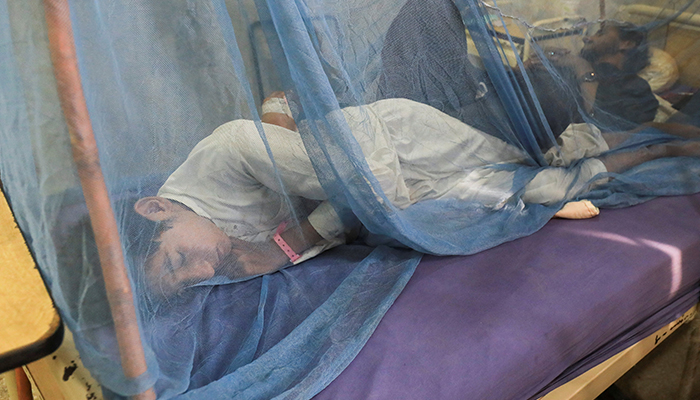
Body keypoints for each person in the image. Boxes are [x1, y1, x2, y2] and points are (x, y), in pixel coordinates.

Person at [126, 88, 700, 298]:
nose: (198, 272)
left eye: (176, 259)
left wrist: (291, 244)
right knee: (538, 186)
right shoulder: (207, 230)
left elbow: (364, 189)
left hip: (401, 143)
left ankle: (661, 137)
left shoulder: (228, 150)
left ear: (156, 206)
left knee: (546, 156)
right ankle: (652, 148)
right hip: (387, 177)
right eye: (182, 283)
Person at [579, 21, 659, 127]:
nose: (586, 38)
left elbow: (601, 128)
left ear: (627, 44)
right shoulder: (574, 70)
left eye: (600, 33)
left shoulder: (637, 90)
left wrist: (581, 68)